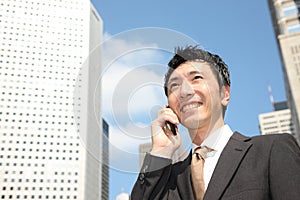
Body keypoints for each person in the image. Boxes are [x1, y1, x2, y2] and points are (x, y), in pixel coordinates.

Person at [131, 45, 300, 200]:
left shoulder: (271, 150)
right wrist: (160, 151)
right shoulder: (168, 179)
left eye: (196, 78)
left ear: (224, 93)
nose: (184, 91)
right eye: (174, 85)